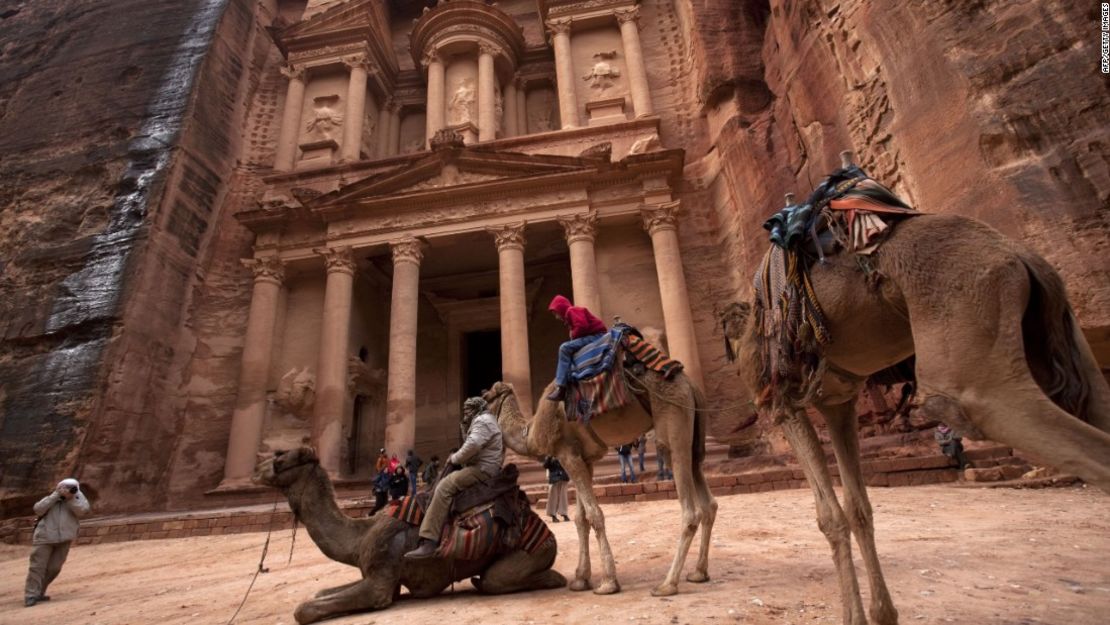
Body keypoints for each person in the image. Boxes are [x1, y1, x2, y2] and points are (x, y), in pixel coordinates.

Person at [405, 397, 503, 559]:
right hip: (483, 466)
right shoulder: (483, 420)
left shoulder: (483, 421)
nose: (465, 413)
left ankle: (429, 540)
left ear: (476, 409)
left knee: (445, 486)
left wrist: (455, 458)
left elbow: (473, 445)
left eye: (468, 410)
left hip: (482, 469)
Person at [25, 478, 90, 607]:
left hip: (64, 538)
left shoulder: (77, 497)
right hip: (44, 537)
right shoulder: (52, 497)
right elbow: (38, 509)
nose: (68, 489)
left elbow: (83, 510)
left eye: (71, 487)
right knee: (37, 567)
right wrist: (56, 496)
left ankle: (40, 591)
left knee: (54, 568)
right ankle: (31, 595)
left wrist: (70, 499)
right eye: (65, 487)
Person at [546, 294, 607, 401]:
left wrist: (573, 335)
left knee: (564, 348)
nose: (556, 317)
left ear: (560, 308)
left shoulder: (571, 311)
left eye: (556, 313)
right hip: (593, 336)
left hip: (595, 336)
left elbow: (582, 326)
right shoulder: (571, 314)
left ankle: (561, 387)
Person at [542, 456, 571, 523]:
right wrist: (549, 457)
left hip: (563, 477)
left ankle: (564, 514)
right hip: (554, 478)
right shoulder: (549, 455)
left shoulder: (563, 453)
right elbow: (545, 466)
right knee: (553, 498)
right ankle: (553, 515)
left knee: (563, 497)